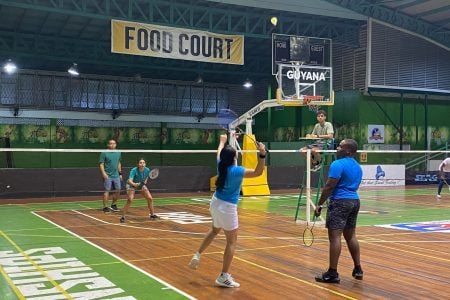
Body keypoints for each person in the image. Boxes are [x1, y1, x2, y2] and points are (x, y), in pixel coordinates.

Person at [188, 134, 266, 288]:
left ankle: (198, 253)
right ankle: (223, 276)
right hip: (228, 208)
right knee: (232, 242)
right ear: (234, 158)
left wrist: (223, 141)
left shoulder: (221, 164)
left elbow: (219, 151)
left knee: (214, 230)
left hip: (215, 203)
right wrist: (262, 153)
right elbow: (258, 172)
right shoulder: (237, 171)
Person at [313, 139, 363, 284]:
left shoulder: (337, 164)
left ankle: (332, 273)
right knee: (351, 235)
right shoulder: (358, 167)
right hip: (354, 201)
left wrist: (320, 204)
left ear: (348, 151)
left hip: (340, 202)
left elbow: (329, 186)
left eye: (340, 146)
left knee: (335, 237)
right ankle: (358, 268)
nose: (337, 148)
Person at [120, 158, 159, 223]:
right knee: (130, 199)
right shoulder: (134, 170)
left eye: (143, 163)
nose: (142, 164)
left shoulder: (147, 170)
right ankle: (122, 217)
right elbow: (130, 180)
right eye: (140, 163)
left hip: (140, 184)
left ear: (145, 164)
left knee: (150, 198)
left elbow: (146, 179)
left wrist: (143, 183)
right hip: (131, 185)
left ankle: (152, 214)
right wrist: (134, 184)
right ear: (138, 164)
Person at [99, 139, 122, 212]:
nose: (112, 145)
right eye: (111, 143)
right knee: (107, 190)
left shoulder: (118, 152)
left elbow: (119, 163)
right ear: (108, 145)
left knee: (118, 190)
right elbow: (101, 164)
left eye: (114, 143)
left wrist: (120, 173)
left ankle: (113, 204)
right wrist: (103, 173)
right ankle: (105, 207)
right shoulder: (104, 153)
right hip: (107, 175)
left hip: (116, 175)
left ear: (116, 144)